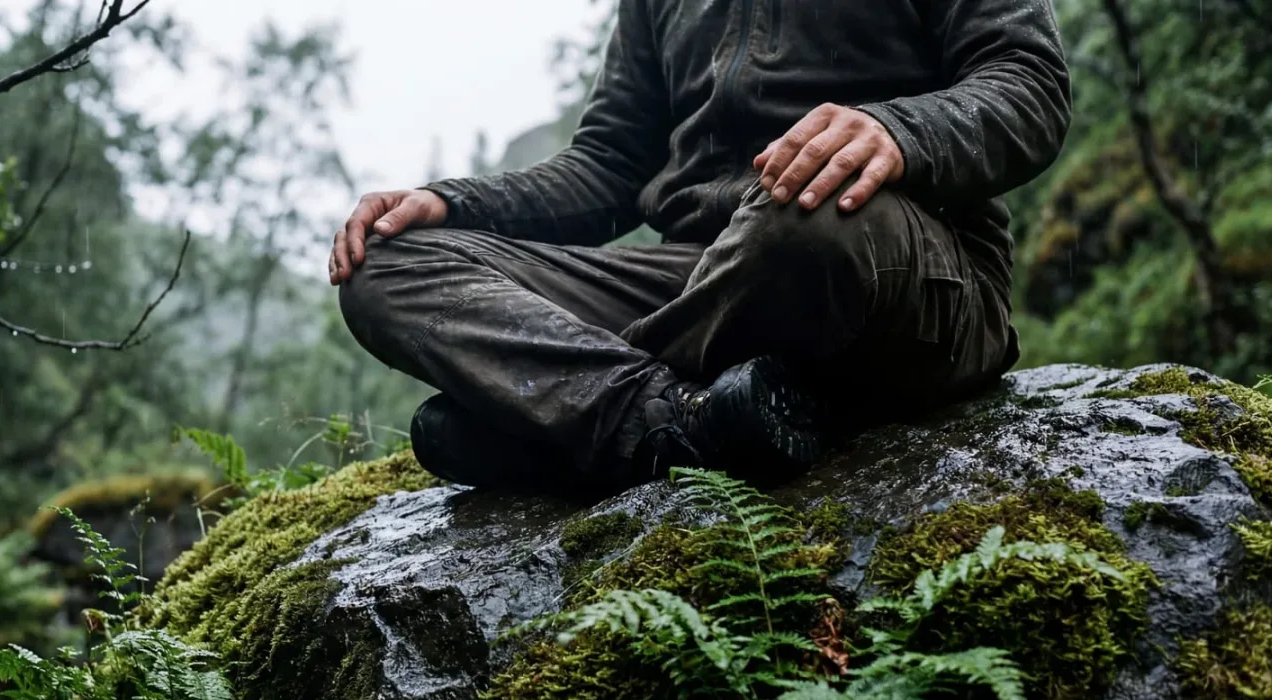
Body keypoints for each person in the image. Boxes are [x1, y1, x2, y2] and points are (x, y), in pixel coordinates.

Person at [331, 0, 1070, 492]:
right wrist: (455, 203)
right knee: (385, 266)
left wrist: (900, 132)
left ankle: (563, 415)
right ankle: (670, 419)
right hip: (700, 274)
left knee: (802, 220)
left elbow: (1030, 83)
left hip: (894, 259)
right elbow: (611, 166)